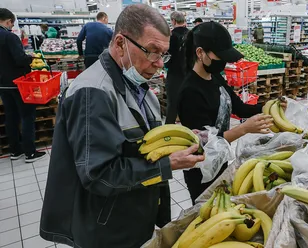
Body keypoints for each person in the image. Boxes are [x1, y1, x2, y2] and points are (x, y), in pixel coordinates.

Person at [40, 4, 204, 248]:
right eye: (152, 52)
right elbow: (99, 175)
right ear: (120, 44)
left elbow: (142, 148)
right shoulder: (92, 92)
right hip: (106, 227)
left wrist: (177, 143)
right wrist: (167, 165)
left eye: (163, 55)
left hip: (134, 214)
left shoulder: (140, 88)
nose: (159, 64)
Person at [177, 21, 286, 204]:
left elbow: (240, 108)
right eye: (220, 56)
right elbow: (204, 143)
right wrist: (244, 129)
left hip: (220, 161)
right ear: (200, 53)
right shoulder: (189, 91)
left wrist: (269, 106)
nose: (224, 62)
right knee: (208, 213)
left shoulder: (216, 78)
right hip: (201, 169)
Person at [0, 8, 46, 163]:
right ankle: (30, 153)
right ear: (8, 21)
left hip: (2, 85)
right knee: (27, 115)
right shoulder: (9, 37)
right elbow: (19, 60)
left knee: (11, 117)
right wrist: (30, 57)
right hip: (18, 84)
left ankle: (15, 151)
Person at [164, 11, 189, 124]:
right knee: (189, 104)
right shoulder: (192, 34)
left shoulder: (170, 36)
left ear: (173, 21)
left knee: (172, 105)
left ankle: (168, 132)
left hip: (174, 75)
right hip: (189, 75)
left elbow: (166, 56)